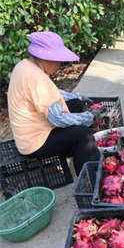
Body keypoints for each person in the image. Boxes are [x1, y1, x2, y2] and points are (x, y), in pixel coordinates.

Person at [7, 31, 101, 175]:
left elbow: (52, 92)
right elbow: (58, 119)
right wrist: (89, 117)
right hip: (35, 142)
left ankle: (83, 157)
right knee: (82, 135)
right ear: (46, 58)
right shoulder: (38, 79)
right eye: (57, 60)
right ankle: (90, 182)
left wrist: (79, 97)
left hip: (31, 131)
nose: (58, 64)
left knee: (76, 104)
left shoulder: (25, 66)